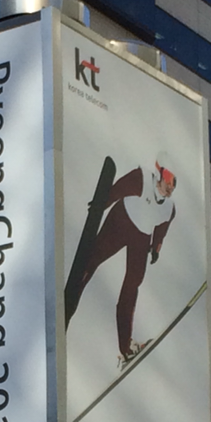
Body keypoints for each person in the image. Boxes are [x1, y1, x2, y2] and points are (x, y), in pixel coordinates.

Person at [74, 153, 177, 367]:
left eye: (174, 182)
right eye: (168, 178)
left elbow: (161, 230)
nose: (170, 186)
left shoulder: (169, 209)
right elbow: (116, 190)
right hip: (122, 221)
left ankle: (126, 346)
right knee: (93, 259)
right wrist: (100, 205)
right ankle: (70, 300)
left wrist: (155, 248)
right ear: (159, 172)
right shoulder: (141, 178)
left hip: (141, 236)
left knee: (132, 285)